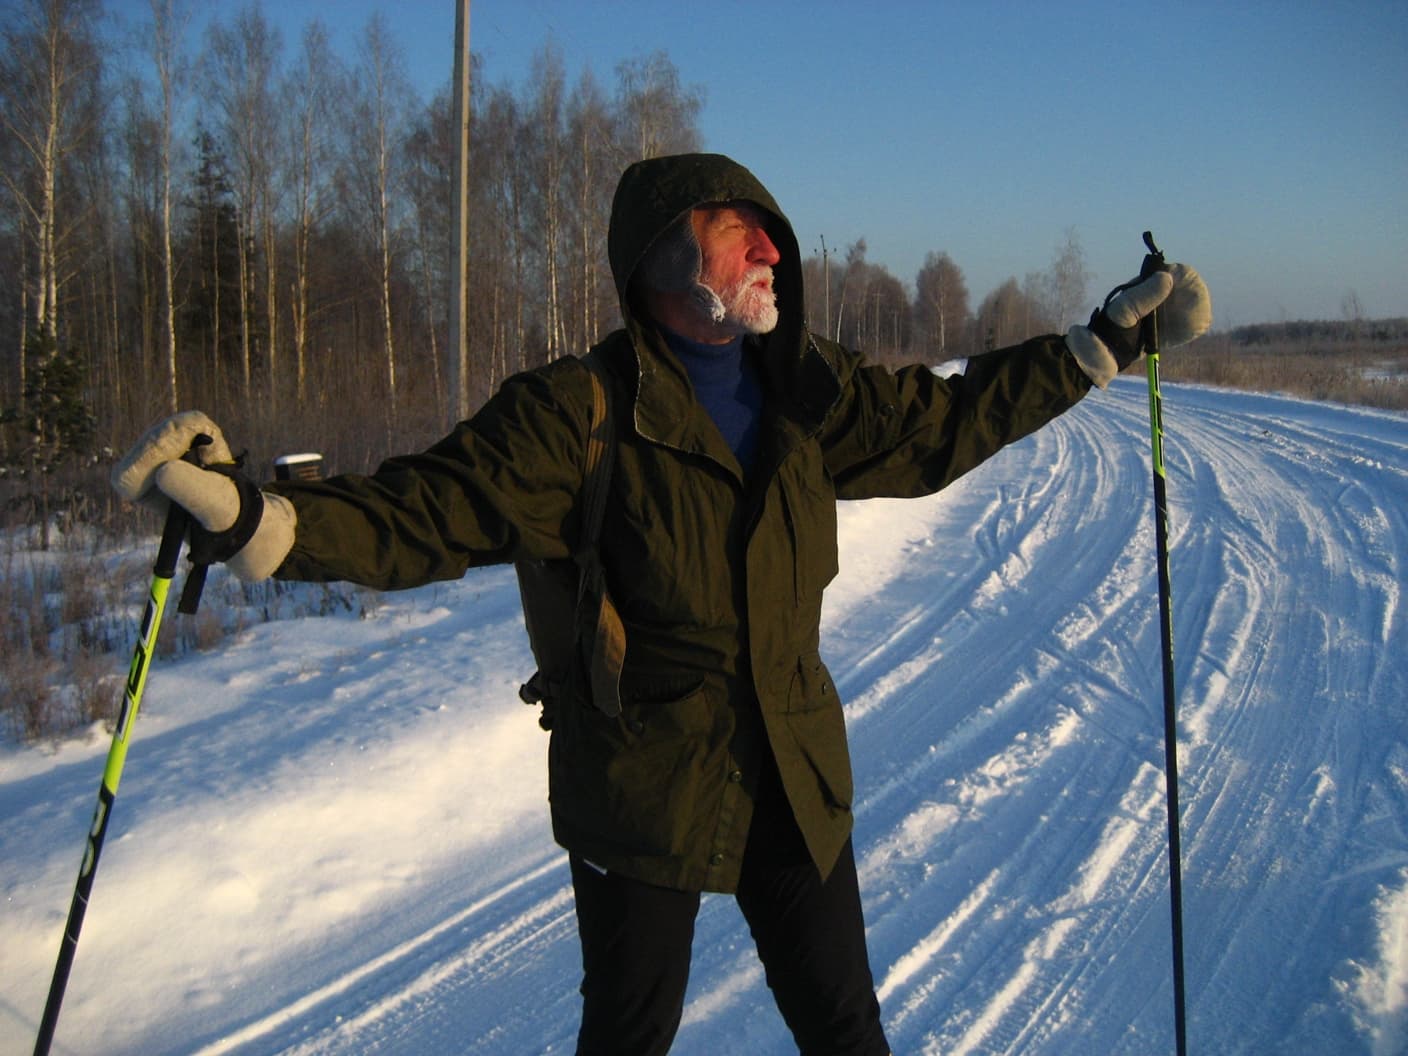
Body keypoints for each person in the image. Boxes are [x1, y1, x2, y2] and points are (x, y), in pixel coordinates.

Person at [113, 152, 1210, 1055]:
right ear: (663, 256)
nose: (773, 250)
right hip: (641, 782)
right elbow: (430, 509)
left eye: (768, 232)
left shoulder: (808, 389)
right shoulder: (577, 411)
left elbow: (945, 422)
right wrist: (253, 516)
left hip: (792, 768)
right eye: (742, 232)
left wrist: (1103, 341)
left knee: (845, 1028)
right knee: (629, 1035)